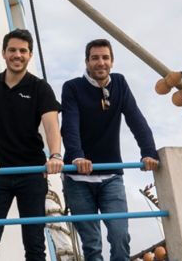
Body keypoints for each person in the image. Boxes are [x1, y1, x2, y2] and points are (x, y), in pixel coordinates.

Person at [61, 38, 159, 261]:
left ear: (112, 62)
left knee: (120, 235)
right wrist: (77, 156)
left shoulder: (120, 84)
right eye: (95, 58)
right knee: (92, 245)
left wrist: (149, 152)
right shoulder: (72, 88)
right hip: (78, 179)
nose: (100, 62)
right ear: (87, 62)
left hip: (111, 177)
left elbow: (136, 119)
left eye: (105, 57)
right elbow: (70, 125)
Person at [0, 28, 63, 261]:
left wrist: (55, 155)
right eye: (12, 50)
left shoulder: (40, 88)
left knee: (34, 243)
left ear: (30, 55)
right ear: (4, 53)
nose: (17, 55)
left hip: (31, 173)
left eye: (23, 51)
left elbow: (52, 125)